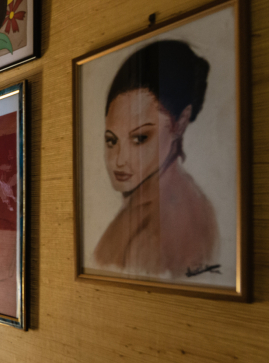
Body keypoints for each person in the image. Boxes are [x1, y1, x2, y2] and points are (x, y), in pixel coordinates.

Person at [94, 40, 219, 278]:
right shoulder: (146, 205)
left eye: (140, 138)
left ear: (180, 123)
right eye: (112, 140)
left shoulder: (164, 224)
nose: (118, 161)